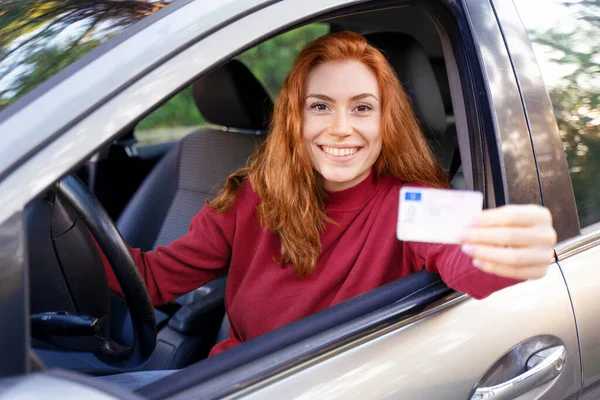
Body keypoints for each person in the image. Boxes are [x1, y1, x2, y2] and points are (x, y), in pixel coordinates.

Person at [103, 31, 557, 357]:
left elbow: (463, 262)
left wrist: (502, 255)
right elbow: (155, 279)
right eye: (321, 106)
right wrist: (57, 246)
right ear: (295, 119)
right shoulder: (252, 194)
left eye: (362, 108)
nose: (341, 128)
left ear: (386, 122)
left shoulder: (417, 201)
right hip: (234, 377)